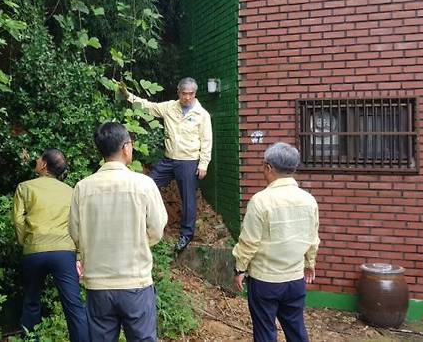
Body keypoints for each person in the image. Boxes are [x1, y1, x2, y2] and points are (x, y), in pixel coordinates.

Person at [69, 122, 168, 342]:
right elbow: (157, 229)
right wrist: (137, 242)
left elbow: (75, 233)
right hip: (135, 282)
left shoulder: (82, 188)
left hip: (98, 285)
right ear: (125, 147)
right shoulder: (143, 184)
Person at [232, 142, 320, 342]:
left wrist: (240, 270)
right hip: (295, 279)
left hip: (265, 280)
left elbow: (249, 242)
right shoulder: (309, 200)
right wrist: (310, 263)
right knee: (296, 329)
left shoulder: (261, 201)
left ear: (269, 167)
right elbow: (312, 239)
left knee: (265, 332)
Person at [120, 77, 212, 251]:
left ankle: (186, 234)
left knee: (188, 199)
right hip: (169, 159)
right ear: (178, 93)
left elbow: (207, 140)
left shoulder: (202, 115)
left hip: (189, 161)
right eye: (184, 94)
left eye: (191, 94)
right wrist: (127, 96)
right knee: (148, 184)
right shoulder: (170, 107)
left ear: (195, 94)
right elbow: (148, 106)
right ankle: (139, 223)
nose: (187, 97)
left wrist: (204, 164)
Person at [12, 149, 89, 342]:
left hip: (34, 250)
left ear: (44, 165)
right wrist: (79, 254)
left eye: (39, 159)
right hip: (64, 253)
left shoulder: (25, 187)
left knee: (31, 301)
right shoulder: (71, 191)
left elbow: (18, 221)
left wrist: (26, 243)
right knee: (73, 306)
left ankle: (31, 339)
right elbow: (78, 224)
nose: (36, 160)